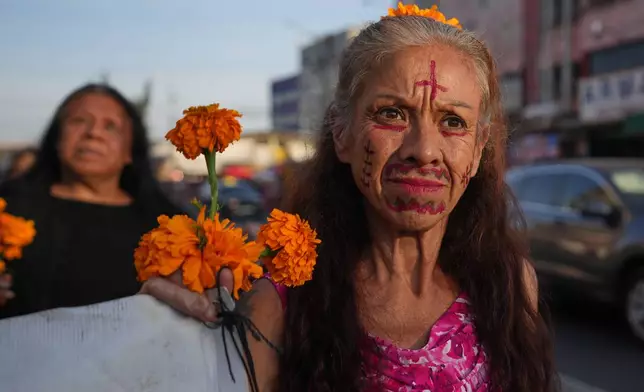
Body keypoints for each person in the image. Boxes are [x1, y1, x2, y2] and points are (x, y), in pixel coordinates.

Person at [140, 10, 556, 392]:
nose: (424, 150)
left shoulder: (510, 285)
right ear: (341, 134)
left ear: (480, 147)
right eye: (392, 114)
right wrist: (176, 341)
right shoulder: (283, 303)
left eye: (453, 121)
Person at [0, 84, 182, 318]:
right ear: (57, 139)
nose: (93, 133)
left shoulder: (169, 228)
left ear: (130, 150)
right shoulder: (8, 208)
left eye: (110, 126)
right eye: (79, 121)